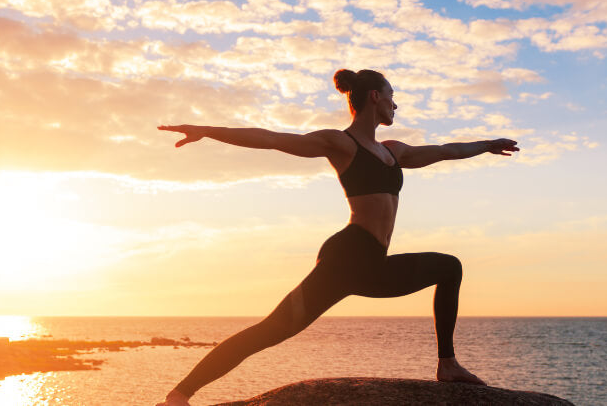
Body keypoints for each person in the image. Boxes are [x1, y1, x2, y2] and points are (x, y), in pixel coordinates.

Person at [156, 69, 519, 405]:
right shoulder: (341, 144)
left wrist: (487, 144)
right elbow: (272, 139)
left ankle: (447, 365)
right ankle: (179, 394)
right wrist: (206, 129)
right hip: (346, 258)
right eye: (392, 96)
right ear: (375, 96)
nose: (396, 104)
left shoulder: (394, 151)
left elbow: (445, 152)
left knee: (448, 268)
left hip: (375, 264)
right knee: (273, 329)